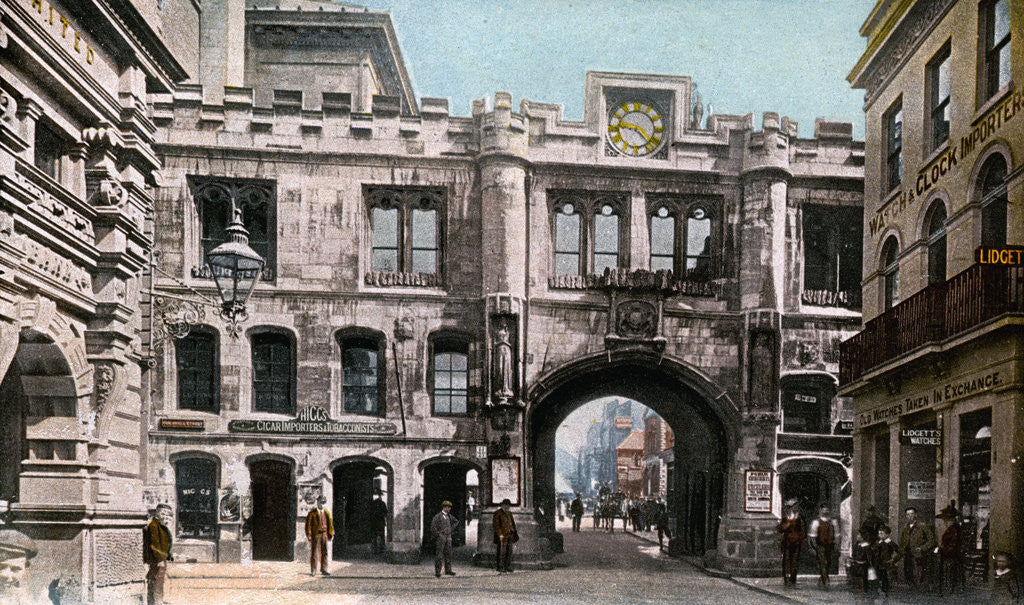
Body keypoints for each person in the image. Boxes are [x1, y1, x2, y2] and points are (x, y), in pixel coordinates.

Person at [898, 506, 935, 592]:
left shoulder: (922, 526)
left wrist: (922, 548)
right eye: (907, 514)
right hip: (908, 555)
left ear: (916, 515)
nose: (910, 516)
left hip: (919, 555)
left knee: (919, 575)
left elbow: (932, 540)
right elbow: (903, 542)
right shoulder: (905, 528)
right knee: (909, 574)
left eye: (911, 514)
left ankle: (921, 592)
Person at [143, 503, 173, 605]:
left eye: (168, 514)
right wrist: (159, 559)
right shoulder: (154, 525)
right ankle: (156, 602)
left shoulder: (160, 524)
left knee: (158, 581)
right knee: (157, 581)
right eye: (163, 513)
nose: (165, 516)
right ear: (157, 513)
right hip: (157, 559)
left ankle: (156, 601)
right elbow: (154, 544)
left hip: (161, 558)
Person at [937, 500, 964, 594]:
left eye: (945, 520)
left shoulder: (954, 530)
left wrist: (941, 550)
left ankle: (951, 591)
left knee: (951, 575)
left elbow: (953, 545)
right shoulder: (952, 529)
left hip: (952, 557)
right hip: (951, 556)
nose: (944, 522)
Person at [806, 504, 836, 589]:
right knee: (823, 563)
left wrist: (836, 545)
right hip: (820, 546)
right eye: (824, 510)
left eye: (827, 510)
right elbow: (812, 536)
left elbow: (836, 535)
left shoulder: (833, 522)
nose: (825, 511)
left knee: (828, 563)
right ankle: (826, 581)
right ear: (821, 511)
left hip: (830, 546)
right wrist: (813, 547)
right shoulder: (816, 522)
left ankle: (823, 578)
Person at [304, 495, 333, 576]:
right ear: (317, 502)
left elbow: (330, 523)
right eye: (321, 502)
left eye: (323, 502)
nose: (322, 504)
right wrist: (309, 534)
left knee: (325, 552)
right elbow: (308, 525)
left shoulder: (326, 512)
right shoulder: (312, 512)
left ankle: (324, 569)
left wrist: (330, 533)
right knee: (314, 552)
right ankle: (313, 570)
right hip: (316, 534)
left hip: (324, 534)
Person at [778, 499, 804, 587]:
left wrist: (800, 541)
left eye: (791, 507)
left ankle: (793, 579)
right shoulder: (785, 519)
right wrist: (787, 524)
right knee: (786, 561)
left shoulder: (798, 519)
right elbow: (780, 529)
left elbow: (801, 531)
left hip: (796, 543)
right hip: (787, 543)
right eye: (788, 507)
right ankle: (786, 579)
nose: (790, 509)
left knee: (794, 561)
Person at [430, 500, 457, 577]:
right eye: (448, 507)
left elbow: (456, 522)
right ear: (444, 507)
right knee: (439, 554)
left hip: (448, 537)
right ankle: (438, 571)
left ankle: (448, 570)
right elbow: (433, 527)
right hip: (441, 538)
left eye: (450, 507)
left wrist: (451, 529)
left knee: (448, 554)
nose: (449, 509)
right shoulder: (438, 516)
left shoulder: (449, 516)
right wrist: (439, 534)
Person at [493, 498, 518, 573]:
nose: (507, 507)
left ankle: (508, 566)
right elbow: (496, 525)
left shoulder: (509, 513)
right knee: (502, 552)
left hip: (510, 534)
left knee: (509, 551)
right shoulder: (497, 513)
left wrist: (514, 532)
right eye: (505, 505)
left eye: (508, 505)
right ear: (502, 505)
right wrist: (500, 534)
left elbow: (512, 523)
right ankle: (500, 566)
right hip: (502, 535)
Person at [874, 524, 899, 598]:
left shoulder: (890, 543)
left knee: (885, 578)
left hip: (886, 563)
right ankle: (881, 591)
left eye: (882, 533)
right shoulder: (878, 543)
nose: (880, 535)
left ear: (887, 534)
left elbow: (899, 551)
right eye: (879, 533)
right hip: (878, 563)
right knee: (879, 577)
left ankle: (885, 592)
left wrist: (893, 559)